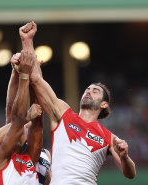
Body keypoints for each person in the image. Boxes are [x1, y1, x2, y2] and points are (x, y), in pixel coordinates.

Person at [14, 21, 136, 185]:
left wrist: (125, 156)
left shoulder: (107, 137)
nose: (88, 92)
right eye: (87, 89)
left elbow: (130, 174)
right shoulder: (64, 114)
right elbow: (35, 80)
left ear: (104, 105)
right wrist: (27, 41)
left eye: (95, 91)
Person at [0, 49, 43, 185]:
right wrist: (22, 73)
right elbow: (15, 117)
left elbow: (15, 113)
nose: (26, 125)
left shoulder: (35, 157)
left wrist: (20, 72)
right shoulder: (3, 159)